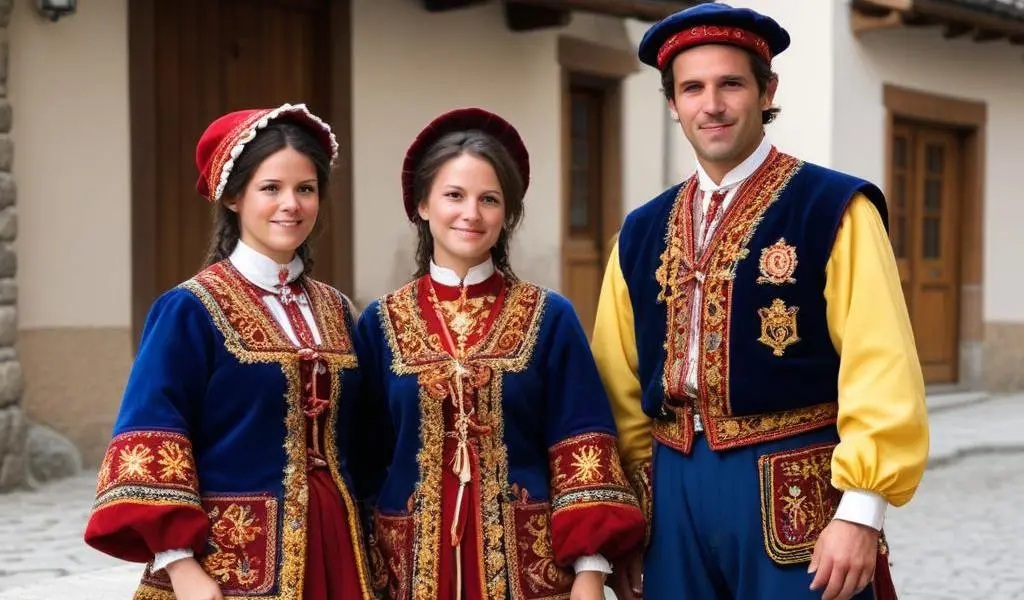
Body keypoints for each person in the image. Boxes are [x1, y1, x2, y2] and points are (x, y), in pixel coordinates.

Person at [591, 4, 930, 600]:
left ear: (766, 89)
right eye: (692, 88)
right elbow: (616, 384)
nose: (711, 104)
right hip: (672, 501)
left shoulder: (833, 210)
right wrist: (625, 516)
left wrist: (860, 512)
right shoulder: (639, 232)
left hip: (794, 493)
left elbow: (882, 366)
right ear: (673, 103)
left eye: (731, 84)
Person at [353, 108, 645, 600]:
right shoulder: (379, 323)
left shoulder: (549, 317)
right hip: (408, 571)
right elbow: (362, 457)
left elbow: (581, 446)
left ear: (507, 213)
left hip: (531, 571)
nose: (471, 213)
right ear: (422, 204)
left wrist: (591, 574)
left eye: (489, 199)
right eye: (454, 196)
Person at [84, 103, 374, 600]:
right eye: (271, 188)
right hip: (229, 564)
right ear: (234, 196)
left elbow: (365, 440)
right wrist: (180, 565)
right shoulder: (190, 309)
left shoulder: (339, 310)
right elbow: (153, 438)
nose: (292, 204)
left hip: (340, 551)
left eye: (306, 189)